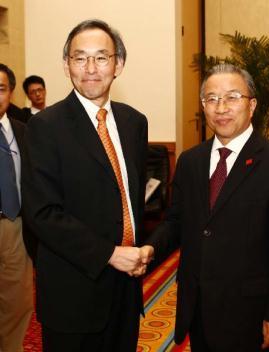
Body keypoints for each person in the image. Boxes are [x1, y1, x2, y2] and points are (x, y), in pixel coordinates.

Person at [144, 63, 269, 351]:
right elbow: (176, 221)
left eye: (232, 97)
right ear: (203, 106)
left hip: (250, 313)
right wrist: (150, 249)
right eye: (212, 99)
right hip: (197, 305)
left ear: (252, 105)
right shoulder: (190, 161)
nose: (221, 107)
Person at [22, 19, 152, 352]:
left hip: (126, 289)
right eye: (80, 58)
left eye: (101, 57)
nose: (90, 68)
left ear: (118, 64)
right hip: (74, 293)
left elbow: (130, 198)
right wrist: (110, 254)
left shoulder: (134, 122)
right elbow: (42, 213)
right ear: (66, 66)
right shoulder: (45, 127)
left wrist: (138, 250)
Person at [0, 63, 33, 352]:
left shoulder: (26, 132)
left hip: (16, 225)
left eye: (0, 89)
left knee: (18, 299)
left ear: (10, 92)